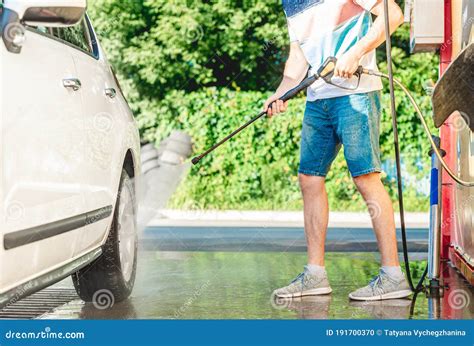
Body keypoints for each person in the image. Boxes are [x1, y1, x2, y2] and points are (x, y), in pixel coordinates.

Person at [266, 0, 409, 301]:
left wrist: (355, 53)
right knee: (309, 178)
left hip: (356, 93)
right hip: (318, 100)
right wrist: (280, 94)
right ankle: (315, 275)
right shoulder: (290, 4)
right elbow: (296, 62)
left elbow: (393, 15)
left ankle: (393, 275)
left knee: (365, 178)